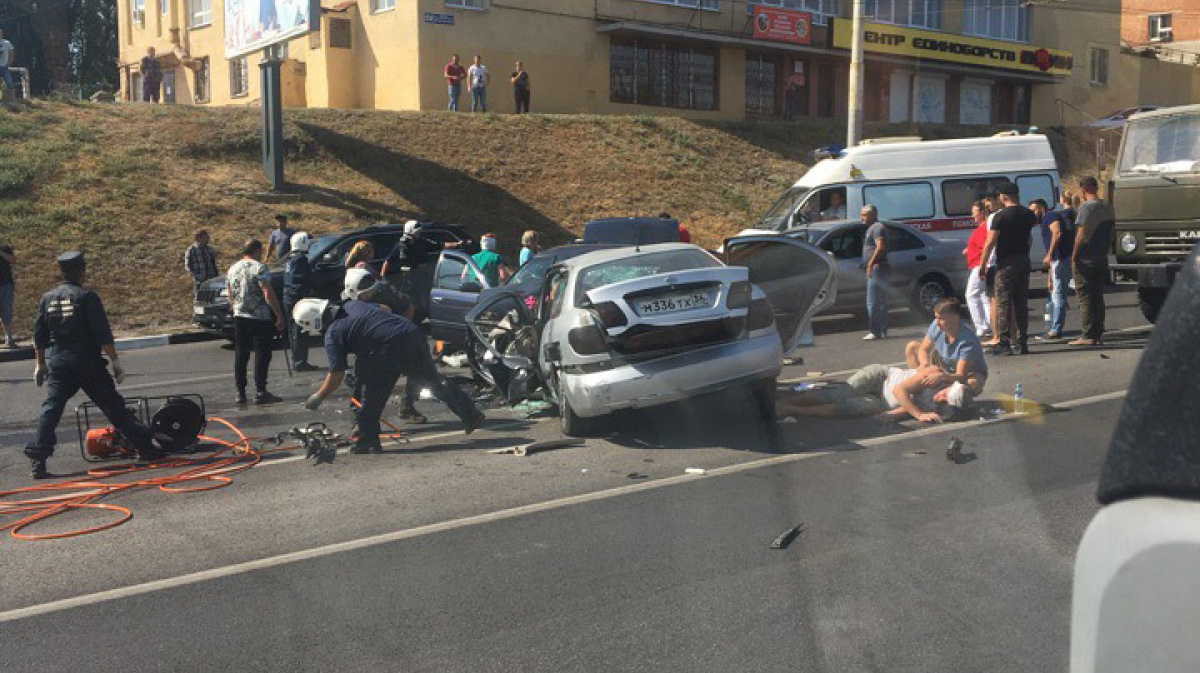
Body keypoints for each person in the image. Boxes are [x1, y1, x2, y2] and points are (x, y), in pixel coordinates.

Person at [24, 252, 165, 479]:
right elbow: (103, 335)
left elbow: (39, 335)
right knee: (112, 405)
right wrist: (115, 361)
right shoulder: (86, 297)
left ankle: (38, 459)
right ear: (82, 270)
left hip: (59, 360)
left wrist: (40, 364)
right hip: (86, 360)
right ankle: (145, 447)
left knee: (51, 409)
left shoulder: (47, 298)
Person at [299, 295, 485, 453]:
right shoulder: (351, 304)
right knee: (433, 382)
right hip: (411, 333)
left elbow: (336, 375)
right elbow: (383, 309)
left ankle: (367, 441)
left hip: (388, 348)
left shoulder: (333, 333)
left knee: (371, 397)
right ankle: (471, 414)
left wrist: (318, 397)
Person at [902, 297, 988, 421]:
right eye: (936, 317)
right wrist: (924, 364)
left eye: (941, 318)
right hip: (944, 364)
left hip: (967, 373)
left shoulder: (967, 341)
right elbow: (923, 349)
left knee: (972, 383)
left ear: (954, 317)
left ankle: (955, 401)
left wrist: (941, 376)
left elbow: (960, 375)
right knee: (912, 347)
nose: (937, 322)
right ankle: (917, 390)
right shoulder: (937, 326)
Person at [978, 182, 1037, 356]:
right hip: (1023, 259)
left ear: (1003, 197)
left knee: (1003, 302)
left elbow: (990, 242)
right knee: (1021, 302)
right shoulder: (1028, 214)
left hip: (1006, 262)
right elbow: (1029, 237)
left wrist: (983, 265)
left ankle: (1004, 342)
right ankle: (1022, 341)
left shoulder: (1000, 216)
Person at [226, 239, 285, 405]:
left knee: (241, 352)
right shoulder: (259, 267)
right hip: (259, 316)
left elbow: (229, 292)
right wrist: (279, 314)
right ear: (257, 250)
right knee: (262, 352)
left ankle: (240, 391)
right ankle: (260, 390)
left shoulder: (232, 268)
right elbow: (267, 292)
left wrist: (234, 307)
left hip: (239, 314)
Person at [1070, 177, 1115, 347]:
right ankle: (1098, 333)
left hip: (1086, 257)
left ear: (1082, 190)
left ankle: (1088, 334)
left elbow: (1081, 234)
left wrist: (1074, 256)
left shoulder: (1086, 208)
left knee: (1085, 297)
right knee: (1098, 296)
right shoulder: (1107, 206)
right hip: (1101, 256)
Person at [1031, 198, 1072, 340]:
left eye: (1033, 210)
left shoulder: (1050, 216)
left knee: (1058, 294)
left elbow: (1057, 233)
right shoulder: (1044, 221)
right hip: (1056, 261)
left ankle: (1055, 330)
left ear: (1042, 208)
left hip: (1061, 259)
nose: (1032, 213)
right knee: (1055, 292)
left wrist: (1049, 255)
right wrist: (1049, 277)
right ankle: (1054, 327)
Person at [283, 231, 318, 372]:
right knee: (300, 330)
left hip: (288, 297)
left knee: (293, 330)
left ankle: (297, 359)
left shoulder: (290, 259)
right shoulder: (301, 259)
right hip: (297, 298)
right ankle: (300, 361)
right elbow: (302, 280)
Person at [963, 201, 992, 338]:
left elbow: (985, 247)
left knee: (971, 294)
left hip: (980, 264)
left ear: (982, 213)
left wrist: (982, 265)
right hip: (979, 263)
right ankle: (989, 324)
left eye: (974, 212)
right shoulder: (983, 227)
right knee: (983, 295)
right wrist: (969, 250)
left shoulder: (983, 228)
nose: (972, 215)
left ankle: (981, 326)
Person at [861, 204, 889, 340]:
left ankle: (875, 330)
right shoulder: (871, 229)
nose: (862, 218)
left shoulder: (877, 228)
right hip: (878, 267)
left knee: (872, 301)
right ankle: (882, 329)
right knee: (880, 300)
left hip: (877, 268)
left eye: (864, 215)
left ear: (873, 215)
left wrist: (870, 264)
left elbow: (880, 247)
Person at [184, 229, 219, 299]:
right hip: (199, 282)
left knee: (212, 299)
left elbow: (213, 264)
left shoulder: (210, 249)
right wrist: (197, 276)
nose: (207, 240)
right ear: (198, 238)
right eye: (205, 238)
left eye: (208, 238)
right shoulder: (191, 250)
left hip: (211, 280)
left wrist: (216, 276)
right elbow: (188, 266)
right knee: (200, 300)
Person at [0, 241, 16, 348]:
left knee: (7, 311)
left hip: (6, 284)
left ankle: (9, 338)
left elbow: (12, 260)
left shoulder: (4, 248)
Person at [0, 29, 15, 94]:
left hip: (4, 66)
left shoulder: (7, 43)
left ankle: (13, 101)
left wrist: (8, 64)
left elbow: (11, 54)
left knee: (9, 83)